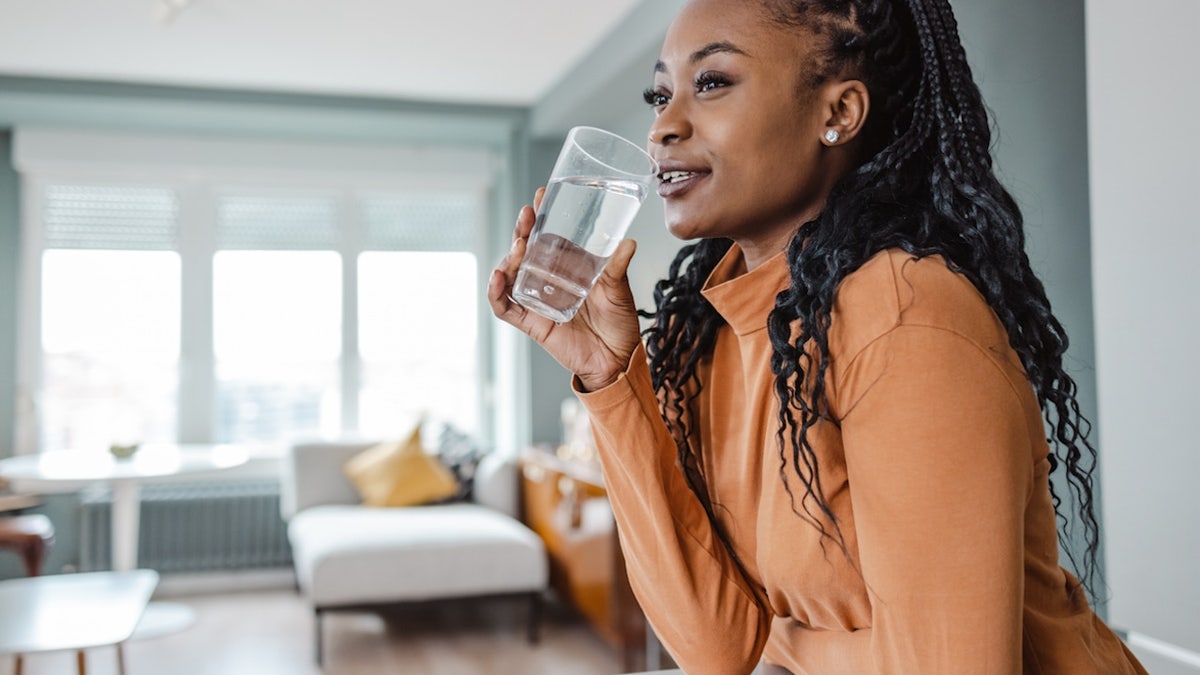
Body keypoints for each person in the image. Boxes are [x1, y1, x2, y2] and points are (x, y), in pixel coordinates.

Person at [489, 0, 1148, 673]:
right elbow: (715, 647)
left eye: (711, 82)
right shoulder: (715, 334)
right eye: (660, 94)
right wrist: (611, 377)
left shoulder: (906, 316)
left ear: (838, 113)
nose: (663, 126)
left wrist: (782, 640)